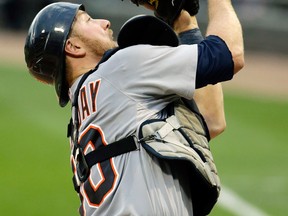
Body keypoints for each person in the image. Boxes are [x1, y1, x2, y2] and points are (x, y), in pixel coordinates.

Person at [24, 1, 244, 215]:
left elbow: (209, 120)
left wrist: (185, 26)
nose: (105, 22)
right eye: (88, 20)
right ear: (73, 47)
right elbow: (230, 54)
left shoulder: (81, 113)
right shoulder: (119, 68)